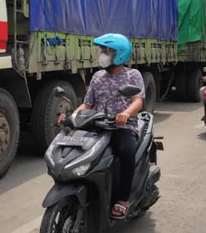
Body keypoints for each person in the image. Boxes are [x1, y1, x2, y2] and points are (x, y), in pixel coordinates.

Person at [57, 33, 145, 220]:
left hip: (122, 127)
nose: (103, 54)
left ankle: (122, 200)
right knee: (77, 151)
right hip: (96, 126)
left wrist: (126, 114)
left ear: (120, 54)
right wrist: (74, 115)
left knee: (126, 151)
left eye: (107, 50)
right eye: (103, 50)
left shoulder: (132, 75)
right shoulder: (97, 76)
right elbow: (88, 104)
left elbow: (138, 100)